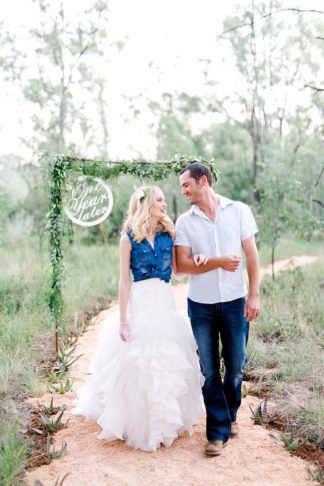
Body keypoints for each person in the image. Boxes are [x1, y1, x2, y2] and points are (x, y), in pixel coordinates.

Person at [72, 185, 205, 452]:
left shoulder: (170, 233)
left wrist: (198, 258)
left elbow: (178, 271)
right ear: (146, 205)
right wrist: (123, 320)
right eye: (160, 200)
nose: (165, 204)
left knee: (168, 361)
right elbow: (124, 282)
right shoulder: (128, 239)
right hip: (141, 303)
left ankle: (166, 421)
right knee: (139, 361)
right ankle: (137, 422)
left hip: (165, 302)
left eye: (164, 200)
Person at [175, 163, 260, 457]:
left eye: (186, 185)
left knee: (235, 367)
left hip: (236, 301)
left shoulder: (238, 211)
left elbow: (251, 255)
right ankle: (216, 433)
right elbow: (180, 267)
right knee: (209, 370)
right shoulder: (184, 222)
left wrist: (255, 296)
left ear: (203, 181)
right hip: (201, 306)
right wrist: (217, 261)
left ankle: (230, 412)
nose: (183, 192)